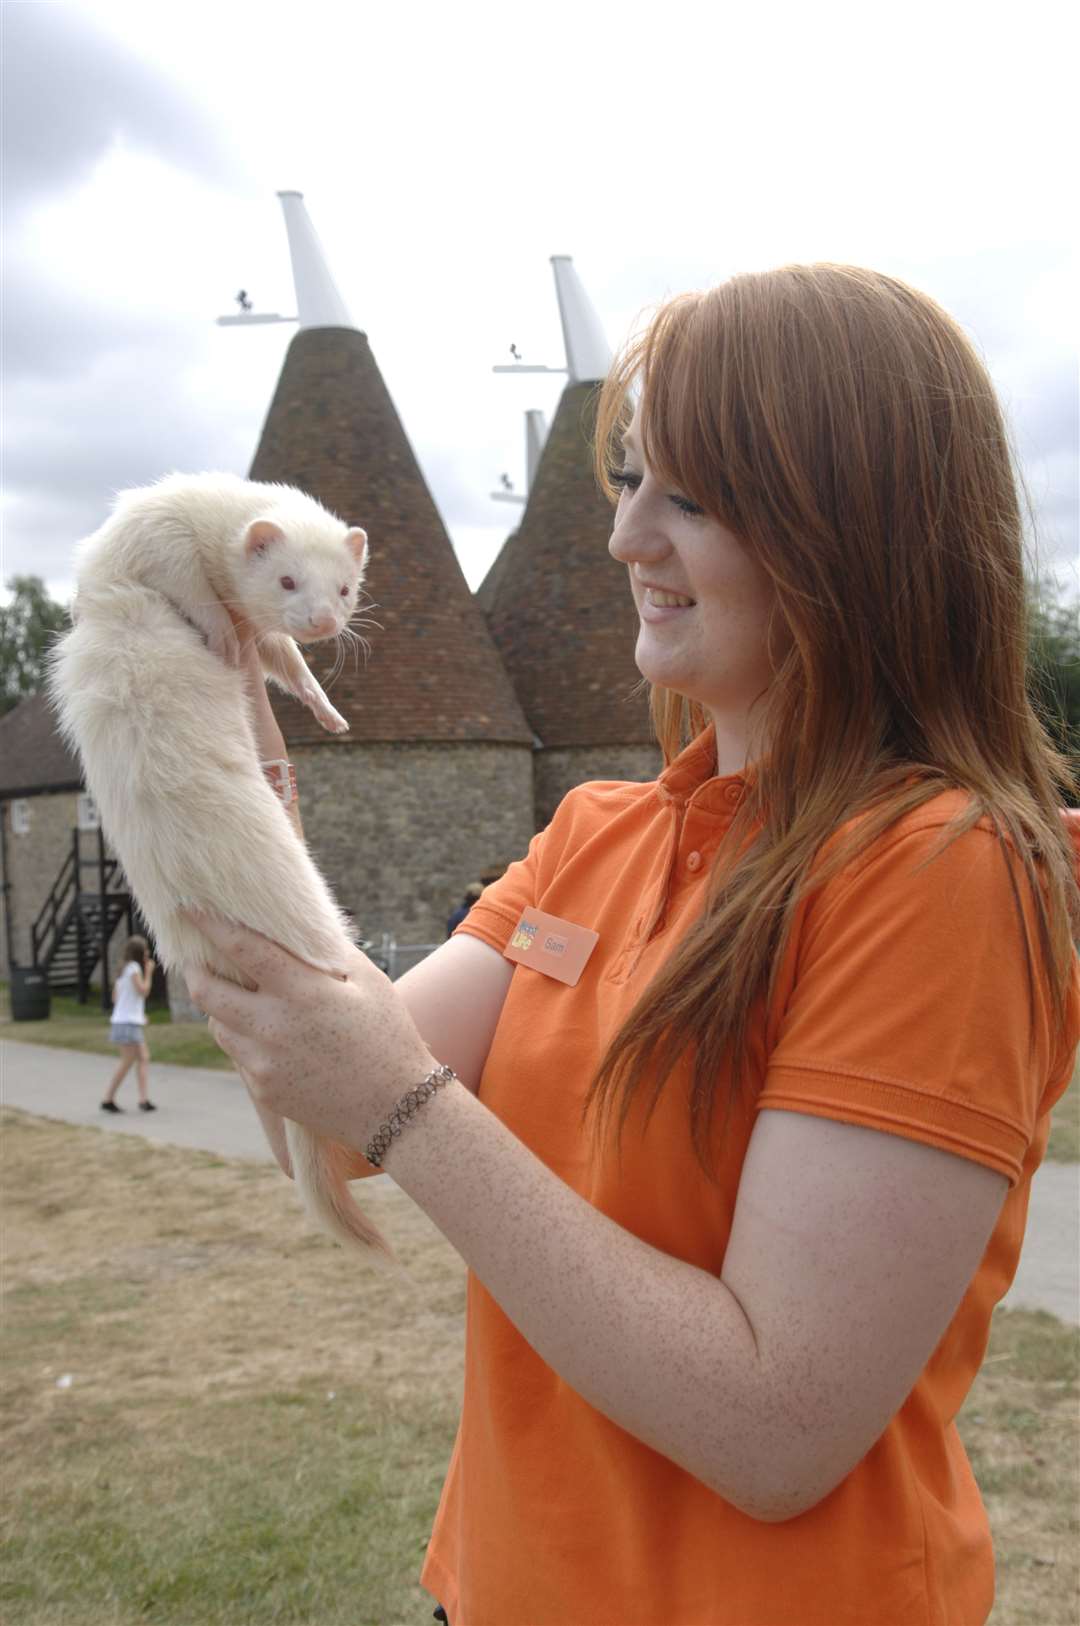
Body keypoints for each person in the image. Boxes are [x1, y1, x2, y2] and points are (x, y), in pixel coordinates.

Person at [186, 264, 1080, 1626]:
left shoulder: (939, 869)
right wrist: (244, 827)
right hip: (496, 1586)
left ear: (854, 529)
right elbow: (324, 1114)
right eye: (625, 480)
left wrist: (400, 1099)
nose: (624, 541)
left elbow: (777, 1423)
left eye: (694, 497)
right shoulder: (593, 832)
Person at [101, 935, 156, 1113]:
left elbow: (116, 998)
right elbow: (143, 990)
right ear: (139, 953)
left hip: (126, 1021)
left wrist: (138, 1014)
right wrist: (149, 972)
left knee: (143, 1058)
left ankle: (143, 1100)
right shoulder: (133, 968)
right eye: (146, 950)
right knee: (127, 1061)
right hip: (127, 1024)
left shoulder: (122, 971)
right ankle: (108, 1099)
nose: (148, 953)